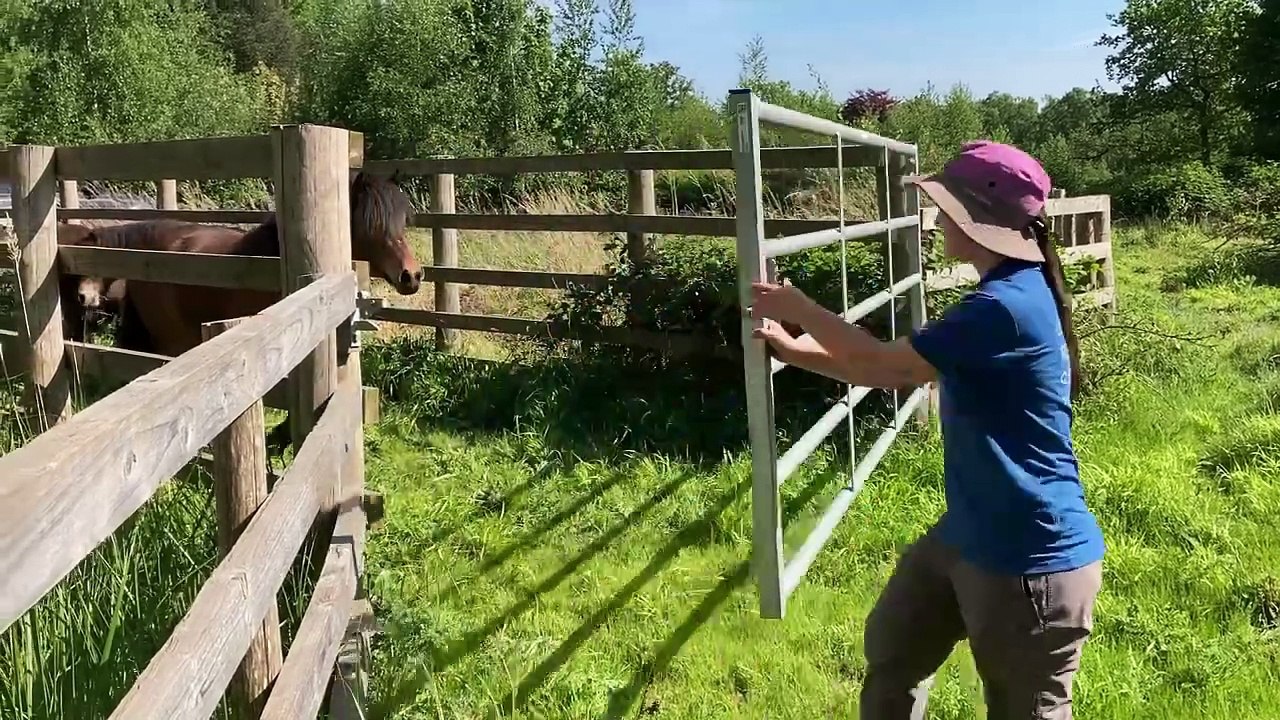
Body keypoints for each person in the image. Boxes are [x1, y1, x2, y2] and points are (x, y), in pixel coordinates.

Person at [747, 140, 1105, 720]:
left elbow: (887, 366)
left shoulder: (1003, 308)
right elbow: (890, 366)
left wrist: (803, 310)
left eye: (945, 206)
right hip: (972, 531)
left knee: (1026, 709)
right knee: (895, 646)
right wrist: (796, 349)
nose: (936, 218)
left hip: (1028, 556)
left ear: (977, 219)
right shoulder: (1006, 296)